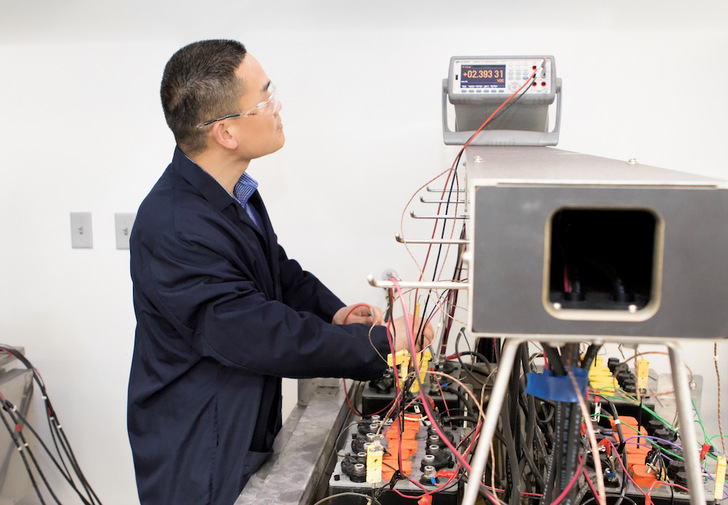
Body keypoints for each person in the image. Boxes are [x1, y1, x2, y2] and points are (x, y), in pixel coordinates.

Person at [127, 39, 433, 505]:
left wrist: (334, 314)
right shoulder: (176, 227)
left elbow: (277, 271)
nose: (278, 106)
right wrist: (383, 345)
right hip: (200, 448)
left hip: (237, 421)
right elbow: (258, 332)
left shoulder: (231, 191)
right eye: (266, 99)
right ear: (225, 132)